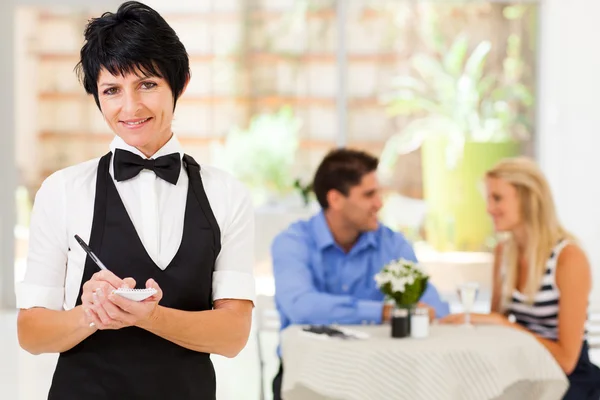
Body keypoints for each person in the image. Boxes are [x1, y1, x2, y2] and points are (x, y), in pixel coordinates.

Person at [15, 2, 255, 399]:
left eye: (147, 84)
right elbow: (32, 333)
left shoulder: (226, 193)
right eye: (112, 90)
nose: (130, 108)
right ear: (97, 96)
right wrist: (91, 313)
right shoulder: (62, 190)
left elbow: (233, 336)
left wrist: (151, 316)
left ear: (180, 83)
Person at [270, 148, 450, 400]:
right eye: (369, 194)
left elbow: (434, 306)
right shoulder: (293, 242)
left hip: (377, 374)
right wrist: (383, 312)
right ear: (335, 199)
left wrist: (425, 309)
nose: (379, 203)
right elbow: (300, 306)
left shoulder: (392, 243)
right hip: (307, 373)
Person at [440, 157, 600, 399]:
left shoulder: (568, 258)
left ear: (528, 199)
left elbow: (567, 360)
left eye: (497, 198)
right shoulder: (504, 253)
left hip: (568, 378)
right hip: (524, 369)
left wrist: (505, 325)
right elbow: (495, 327)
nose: (488, 209)